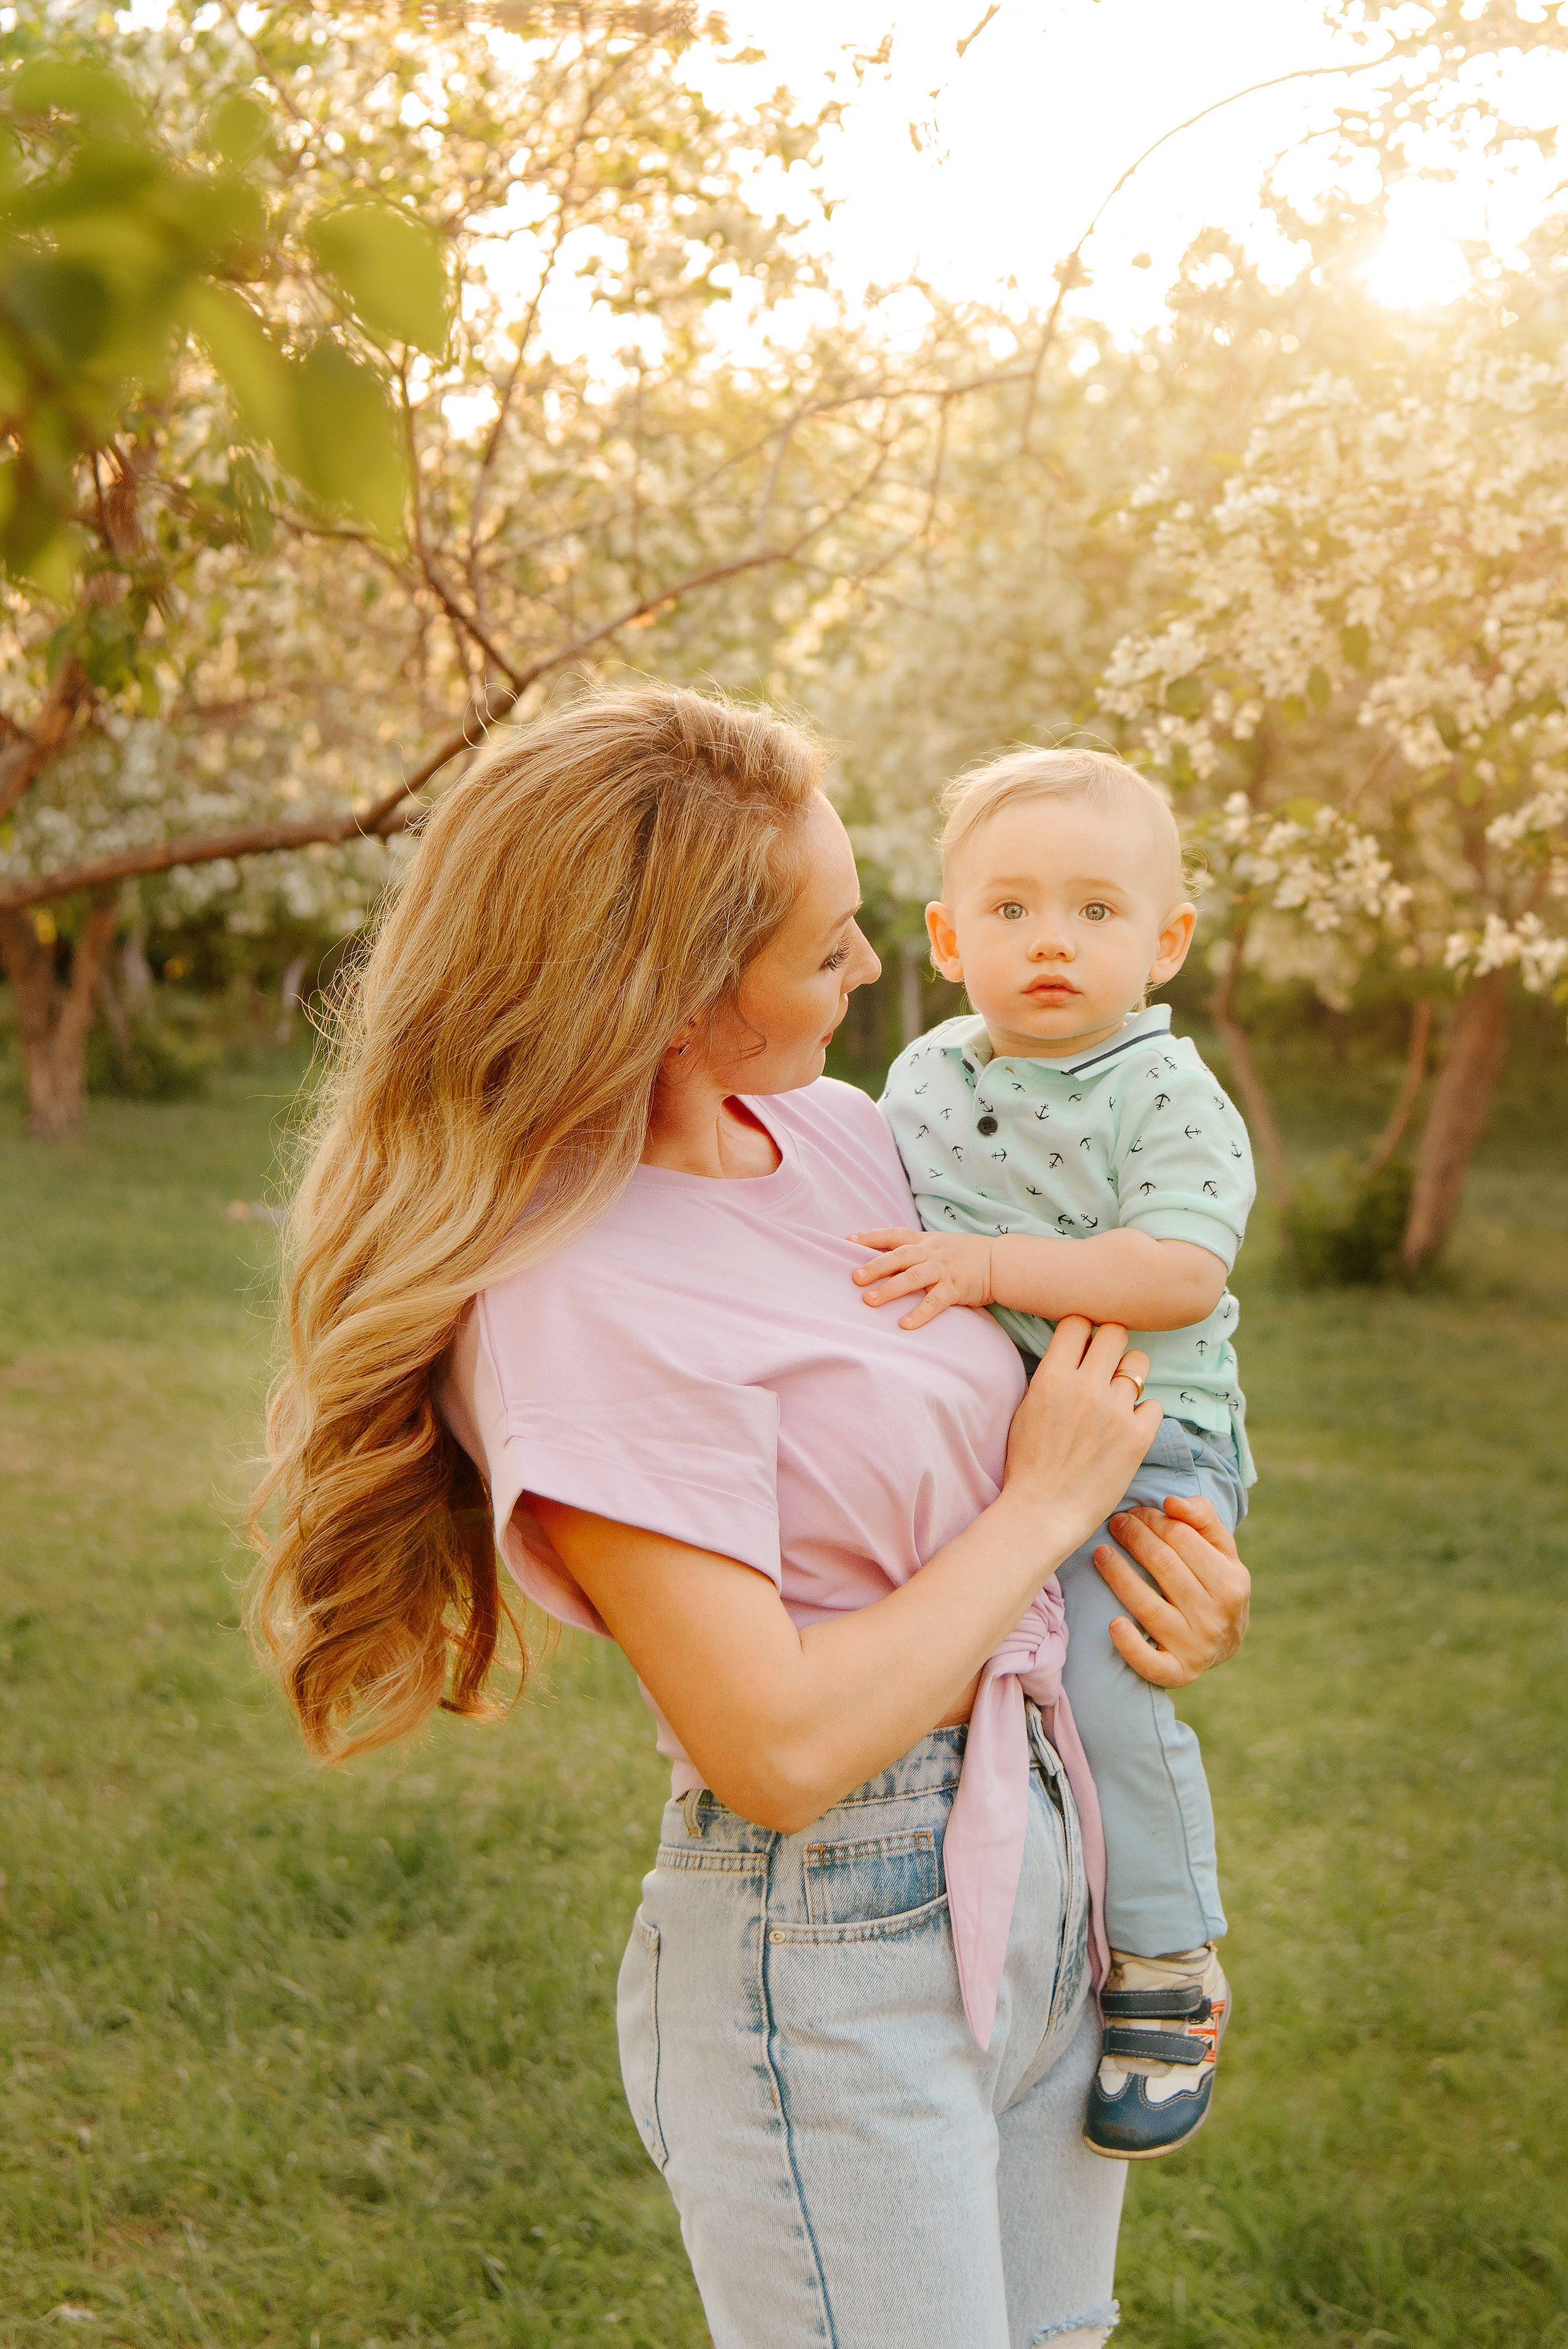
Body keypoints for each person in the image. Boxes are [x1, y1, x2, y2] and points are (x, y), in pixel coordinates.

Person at [251, 687, 1251, 2349]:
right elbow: (773, 1745)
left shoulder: (854, 1142)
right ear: (673, 995)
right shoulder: (575, 1298)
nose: (870, 975)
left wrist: (1177, 1582)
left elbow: (1088, 1381)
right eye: (827, 947)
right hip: (836, 1937)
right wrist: (1041, 1510)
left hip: (1042, 1855)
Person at [862, 747, 1256, 2162]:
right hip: (1004, 1443)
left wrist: (984, 1267)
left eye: (1095, 911)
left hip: (1145, 1442)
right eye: (1013, 908)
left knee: (1108, 1674)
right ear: (948, 938)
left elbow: (1178, 1272)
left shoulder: (1163, 1089)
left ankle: (1163, 1964)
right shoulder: (921, 1075)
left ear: (1163, 945)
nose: (1051, 940)